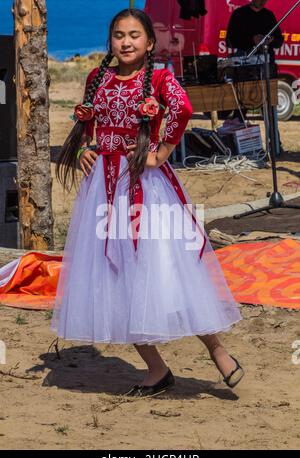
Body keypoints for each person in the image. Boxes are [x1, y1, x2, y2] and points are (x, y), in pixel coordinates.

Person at [52, 8, 244, 397]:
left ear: (149, 43)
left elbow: (183, 108)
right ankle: (156, 369)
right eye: (119, 35)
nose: (126, 42)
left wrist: (162, 151)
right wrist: (83, 152)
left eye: (134, 35)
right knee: (119, 281)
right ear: (111, 41)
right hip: (102, 194)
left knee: (170, 274)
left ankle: (218, 351)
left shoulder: (158, 77)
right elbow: (89, 125)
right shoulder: (97, 78)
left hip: (146, 189)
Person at [226, 0, 284, 123]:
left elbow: (279, 40)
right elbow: (230, 40)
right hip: (245, 66)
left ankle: (274, 140)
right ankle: (237, 135)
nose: (263, 2)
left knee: (269, 105)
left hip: (266, 65)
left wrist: (270, 41)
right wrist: (252, 40)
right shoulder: (239, 14)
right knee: (242, 103)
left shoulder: (269, 15)